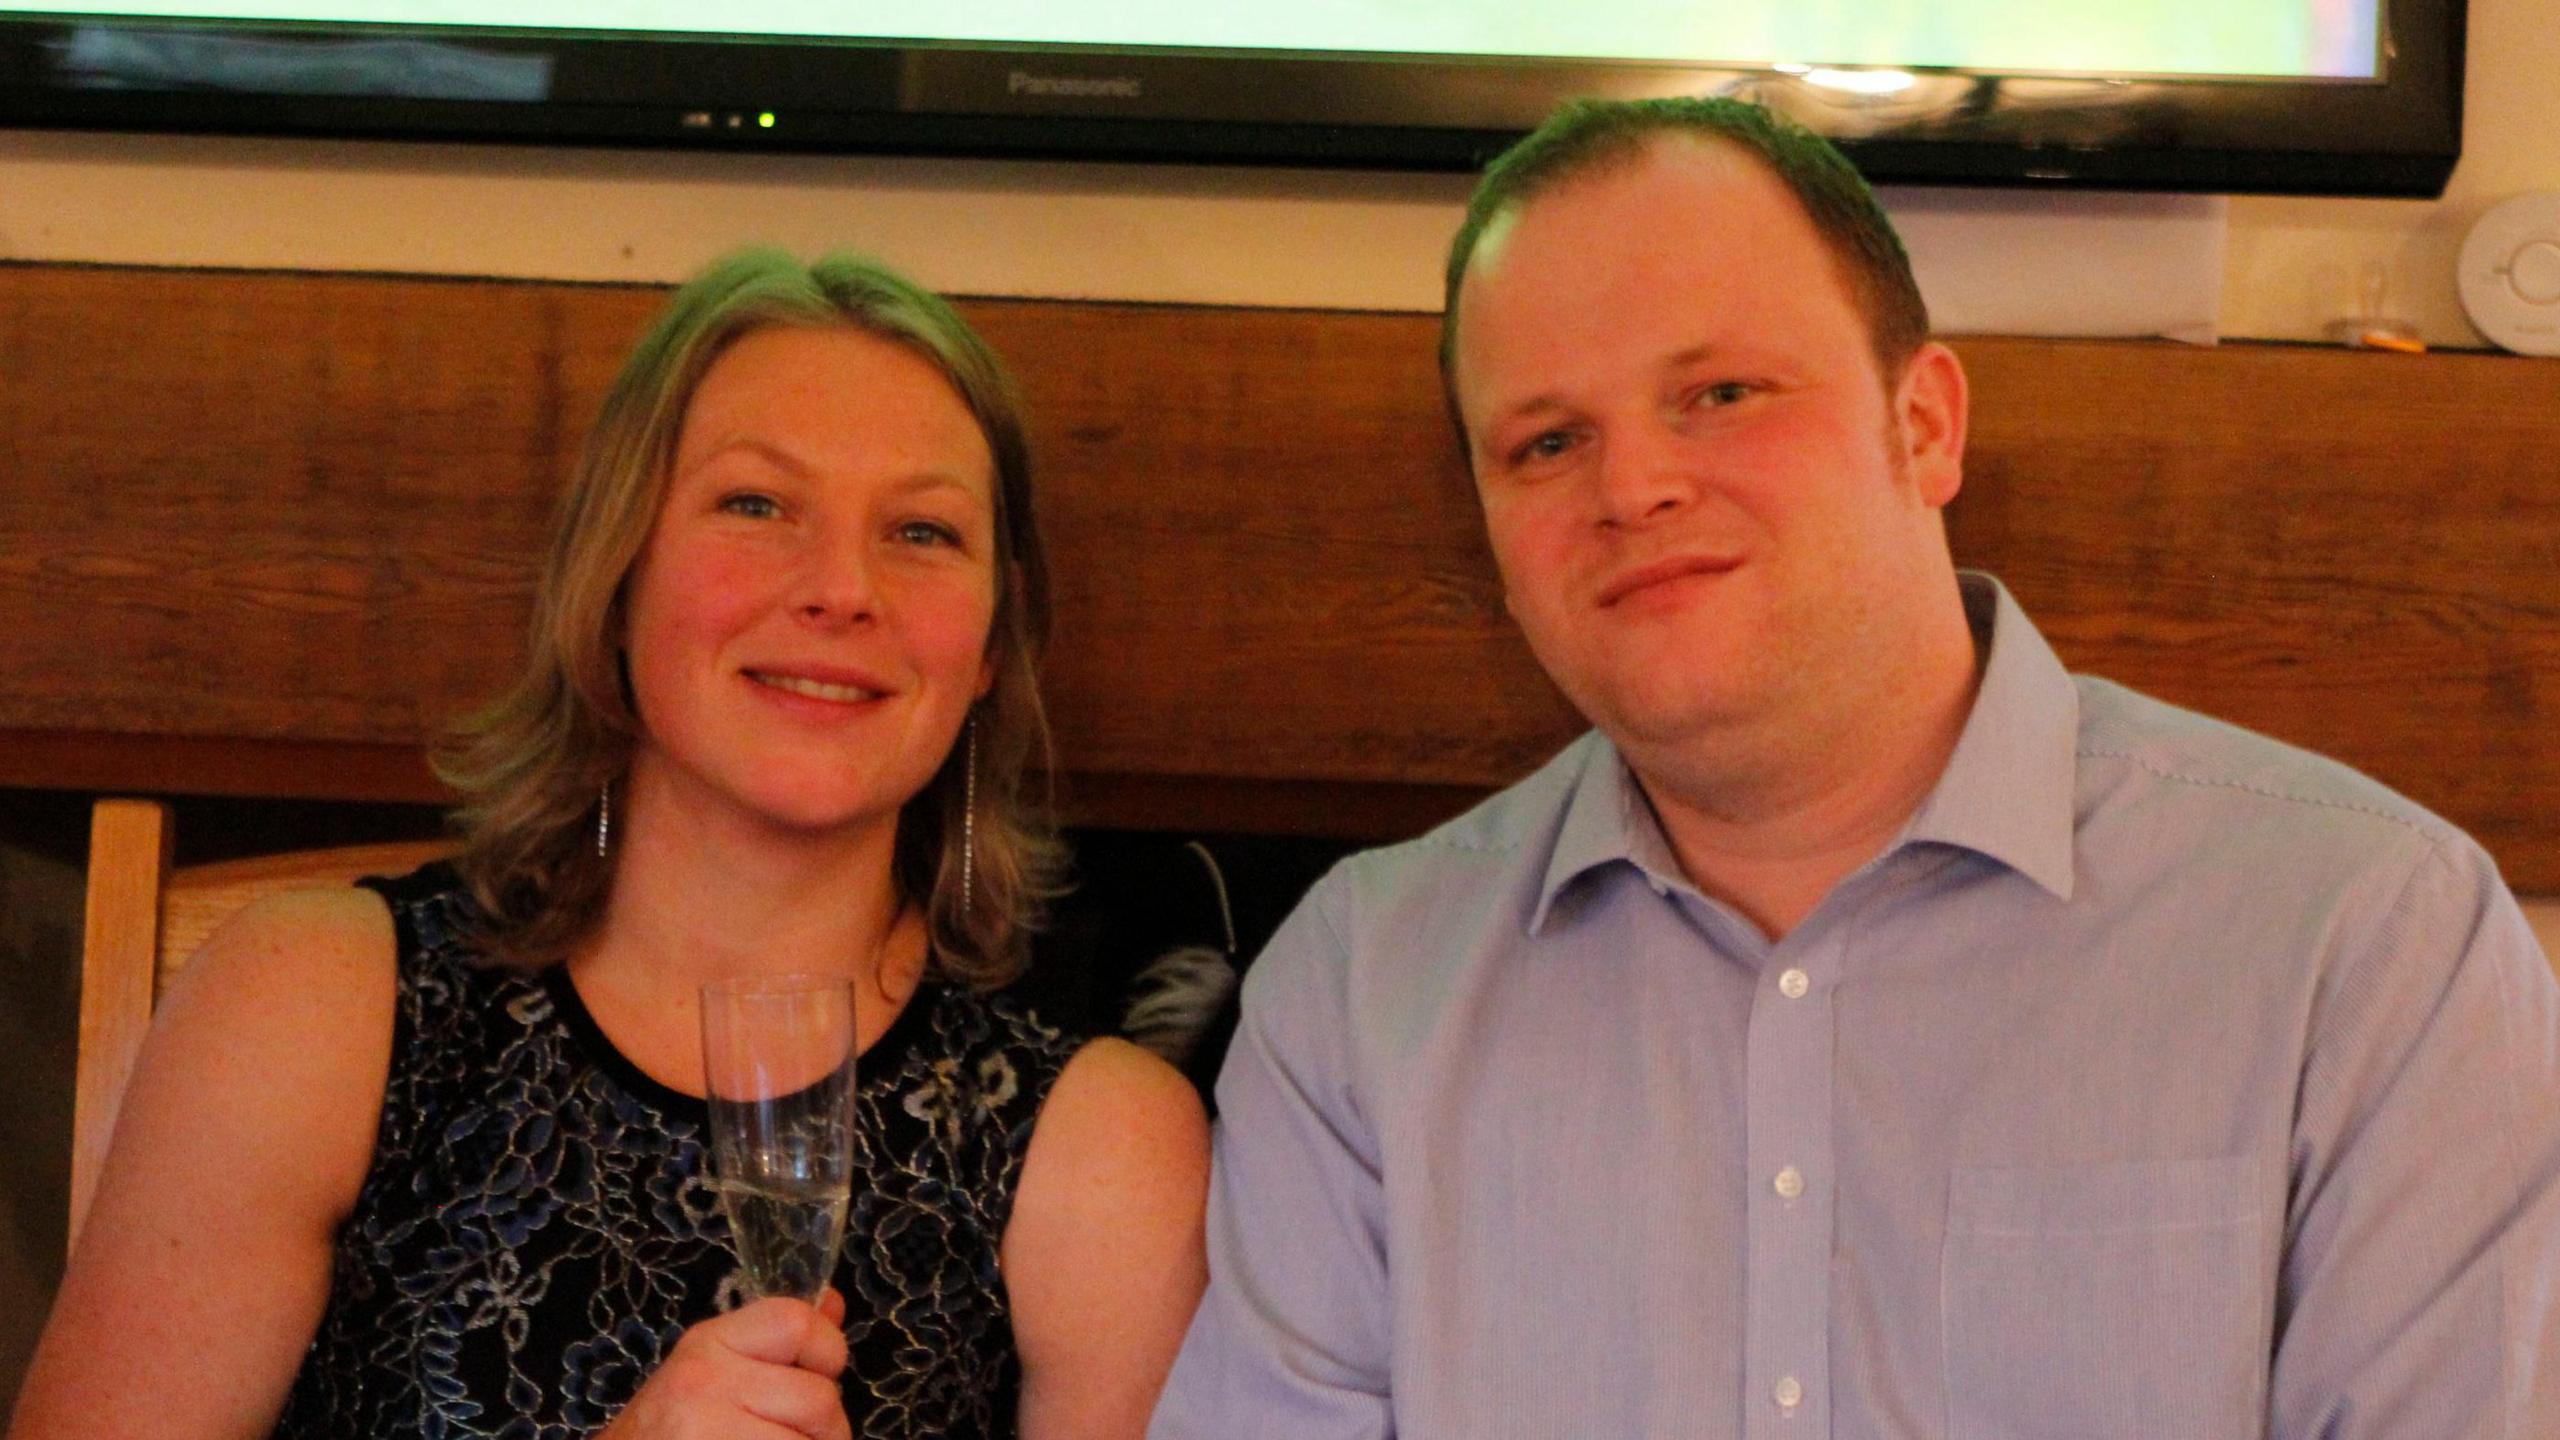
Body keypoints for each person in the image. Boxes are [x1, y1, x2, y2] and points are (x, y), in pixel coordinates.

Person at [1150, 97, 2560, 1439]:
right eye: (1547, 440)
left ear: (1925, 426)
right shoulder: (1357, 984)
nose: (1630, 487)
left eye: (1720, 392)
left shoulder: (2369, 940)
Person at [12, 250, 1209, 1440]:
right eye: (756, 505)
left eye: (922, 532)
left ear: (991, 646)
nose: (843, 589)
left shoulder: (1107, 1147)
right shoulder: (320, 1002)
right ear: (615, 579)